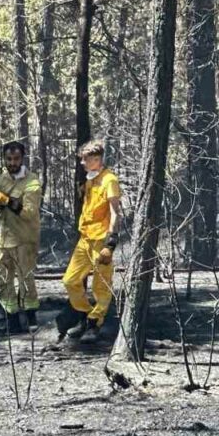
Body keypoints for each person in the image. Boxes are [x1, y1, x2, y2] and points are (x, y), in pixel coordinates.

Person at [57, 139, 122, 344]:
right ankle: (85, 315)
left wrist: (111, 243)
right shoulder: (90, 178)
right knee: (70, 280)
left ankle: (95, 323)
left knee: (101, 285)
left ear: (96, 159)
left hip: (101, 239)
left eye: (85, 160)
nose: (82, 164)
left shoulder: (109, 179)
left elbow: (115, 212)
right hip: (85, 238)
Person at [0, 141, 42, 333]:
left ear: (23, 158)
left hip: (24, 239)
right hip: (4, 238)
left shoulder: (32, 182)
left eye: (16, 159)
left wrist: (9, 201)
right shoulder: (2, 179)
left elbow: (28, 212)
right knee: (2, 278)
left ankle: (30, 317)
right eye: (9, 159)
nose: (12, 163)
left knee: (25, 278)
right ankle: (11, 318)